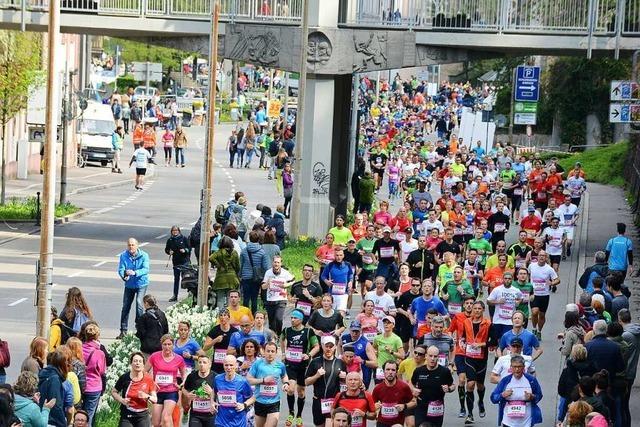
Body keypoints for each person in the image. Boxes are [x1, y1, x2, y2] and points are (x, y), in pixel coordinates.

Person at [281, 309, 319, 424]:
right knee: (291, 389)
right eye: (291, 318)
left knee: (301, 392)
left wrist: (309, 355)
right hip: (290, 364)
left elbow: (316, 346)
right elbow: (281, 340)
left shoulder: (308, 332)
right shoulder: (287, 330)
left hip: (303, 366)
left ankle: (299, 415)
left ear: (301, 320)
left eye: (295, 318)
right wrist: (283, 353)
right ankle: (291, 413)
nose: (292, 320)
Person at [490, 354, 544, 427]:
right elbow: (493, 398)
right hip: (508, 421)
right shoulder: (505, 381)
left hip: (526, 421)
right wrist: (502, 395)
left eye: (519, 367)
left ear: (524, 367)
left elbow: (539, 395)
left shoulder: (531, 380)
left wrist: (532, 397)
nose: (517, 369)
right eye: (514, 367)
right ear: (511, 368)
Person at [305, 336, 347, 427]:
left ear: (335, 347)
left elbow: (347, 384)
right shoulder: (315, 362)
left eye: (331, 346)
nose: (328, 349)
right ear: (322, 346)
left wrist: (345, 378)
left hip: (334, 402)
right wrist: (316, 376)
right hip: (318, 401)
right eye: (326, 346)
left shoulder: (340, 363)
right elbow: (306, 382)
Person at [146, 334, 186, 427]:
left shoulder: (179, 359)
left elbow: (184, 374)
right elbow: (144, 372)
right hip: (157, 392)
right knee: (155, 423)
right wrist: (152, 382)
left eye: (169, 344)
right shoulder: (154, 356)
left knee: (166, 418)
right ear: (161, 345)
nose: (167, 347)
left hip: (171, 392)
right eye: (165, 344)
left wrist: (183, 383)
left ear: (173, 345)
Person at [246, 342, 289, 427]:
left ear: (276, 353)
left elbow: (284, 376)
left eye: (272, 351)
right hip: (259, 401)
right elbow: (249, 380)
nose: (270, 354)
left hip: (274, 402)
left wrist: (286, 383)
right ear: (263, 352)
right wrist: (263, 380)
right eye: (268, 351)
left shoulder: (280, 365)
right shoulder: (257, 364)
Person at [410, 345, 455, 427]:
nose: (432, 358)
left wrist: (448, 389)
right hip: (421, 406)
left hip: (437, 407)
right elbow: (411, 383)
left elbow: (453, 386)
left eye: (435, 356)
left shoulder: (444, 372)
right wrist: (413, 390)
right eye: (430, 356)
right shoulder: (419, 371)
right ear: (426, 356)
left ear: (438, 358)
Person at [462, 301, 491, 424]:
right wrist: (462, 343)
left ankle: (481, 400)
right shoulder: (466, 322)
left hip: (482, 358)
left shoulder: (488, 323)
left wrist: (481, 344)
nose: (477, 310)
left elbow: (493, 341)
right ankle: (470, 414)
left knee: (480, 385)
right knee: (470, 384)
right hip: (469, 357)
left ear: (483, 310)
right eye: (475, 308)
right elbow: (463, 336)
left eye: (479, 308)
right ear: (472, 310)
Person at [111, 352, 157, 427]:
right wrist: (121, 400)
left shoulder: (148, 379)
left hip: (142, 416)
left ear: (143, 364)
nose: (137, 363)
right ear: (131, 363)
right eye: (135, 361)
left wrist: (146, 396)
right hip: (127, 414)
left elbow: (155, 400)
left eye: (140, 361)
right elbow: (114, 392)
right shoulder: (124, 377)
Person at [117, 238, 150, 339]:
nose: (131, 247)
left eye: (133, 245)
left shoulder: (144, 255)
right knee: (126, 306)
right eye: (129, 245)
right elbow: (121, 269)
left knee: (139, 304)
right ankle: (123, 330)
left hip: (141, 283)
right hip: (129, 285)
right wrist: (124, 275)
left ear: (137, 246)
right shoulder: (124, 255)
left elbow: (146, 269)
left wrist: (135, 273)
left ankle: (139, 329)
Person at [213, 355, 255, 427]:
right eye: (226, 365)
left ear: (236, 365)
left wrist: (244, 405)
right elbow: (214, 391)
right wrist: (212, 402)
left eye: (231, 365)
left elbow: (253, 397)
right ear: (223, 365)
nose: (229, 368)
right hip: (221, 421)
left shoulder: (242, 381)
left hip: (238, 422)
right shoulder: (217, 379)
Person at [372, 360, 415, 427]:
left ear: (396, 372)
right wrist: (375, 406)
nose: (390, 372)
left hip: (398, 423)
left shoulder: (404, 387)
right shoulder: (378, 388)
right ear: (383, 371)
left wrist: (404, 406)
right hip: (382, 423)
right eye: (388, 369)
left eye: (393, 370)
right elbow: (371, 406)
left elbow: (414, 402)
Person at [529, 250, 559, 339]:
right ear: (537, 257)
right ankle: (534, 328)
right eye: (540, 255)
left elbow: (557, 280)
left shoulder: (549, 269)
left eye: (544, 256)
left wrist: (552, 283)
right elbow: (527, 275)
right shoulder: (532, 266)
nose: (541, 257)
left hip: (544, 295)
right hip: (534, 294)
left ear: (546, 258)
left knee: (542, 315)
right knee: (534, 312)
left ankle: (539, 331)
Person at [80, 322, 106, 425]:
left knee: (79, 414)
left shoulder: (80, 348)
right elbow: (102, 371)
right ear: (97, 336)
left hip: (80, 385)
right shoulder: (99, 353)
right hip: (94, 387)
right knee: (89, 416)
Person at [261, 255, 295, 335]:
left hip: (281, 299)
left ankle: (279, 335)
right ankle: (272, 338)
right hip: (270, 300)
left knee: (279, 319)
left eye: (278, 262)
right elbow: (263, 287)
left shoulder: (285, 273)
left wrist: (286, 285)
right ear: (272, 263)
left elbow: (293, 280)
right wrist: (267, 284)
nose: (276, 264)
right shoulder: (268, 272)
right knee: (272, 321)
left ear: (281, 263)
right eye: (275, 262)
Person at [181, 355, 215, 427]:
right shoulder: (192, 376)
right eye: (200, 362)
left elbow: (220, 394)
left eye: (204, 362)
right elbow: (184, 389)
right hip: (196, 414)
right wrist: (188, 394)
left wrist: (211, 393)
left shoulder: (216, 377)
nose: (202, 365)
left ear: (210, 364)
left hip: (211, 414)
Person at [209, 236, 241, 312]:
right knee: (230, 297)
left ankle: (221, 315)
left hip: (220, 279)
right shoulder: (234, 253)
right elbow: (238, 266)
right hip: (232, 278)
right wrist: (235, 272)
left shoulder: (219, 252)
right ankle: (230, 315)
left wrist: (218, 266)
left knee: (220, 299)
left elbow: (211, 258)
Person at [38, 348, 68, 427]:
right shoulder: (55, 379)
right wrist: (63, 423)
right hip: (52, 421)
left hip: (44, 416)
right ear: (62, 364)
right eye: (67, 362)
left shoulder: (45, 373)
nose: (69, 364)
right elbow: (55, 405)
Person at [203, 309, 238, 375]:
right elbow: (205, 347)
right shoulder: (215, 330)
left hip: (229, 362)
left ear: (228, 317)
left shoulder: (235, 331)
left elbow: (240, 347)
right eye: (221, 315)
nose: (223, 317)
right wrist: (215, 340)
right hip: (217, 363)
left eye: (225, 315)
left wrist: (232, 352)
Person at [164, 225, 191, 302]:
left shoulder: (184, 238)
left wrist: (185, 250)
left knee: (186, 278)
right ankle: (175, 295)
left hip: (184, 261)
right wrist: (169, 252)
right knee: (176, 279)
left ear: (179, 231)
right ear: (171, 232)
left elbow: (189, 248)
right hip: (176, 262)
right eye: (173, 231)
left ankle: (190, 294)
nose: (175, 232)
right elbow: (166, 249)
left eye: (176, 230)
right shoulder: (170, 240)